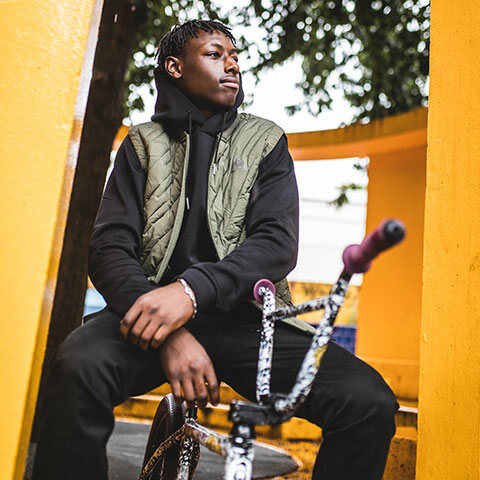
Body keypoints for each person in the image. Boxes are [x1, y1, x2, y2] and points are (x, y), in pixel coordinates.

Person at [32, 19, 398, 480]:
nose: (232, 65)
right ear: (175, 67)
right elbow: (108, 249)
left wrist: (189, 292)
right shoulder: (141, 145)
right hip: (150, 311)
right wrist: (167, 330)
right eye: (214, 54)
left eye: (235, 57)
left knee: (368, 402)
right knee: (76, 367)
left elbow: (276, 244)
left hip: (248, 321)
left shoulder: (266, 141)